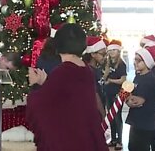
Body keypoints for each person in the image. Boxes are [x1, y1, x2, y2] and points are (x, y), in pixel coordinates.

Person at [26, 23, 108, 151]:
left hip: (68, 140)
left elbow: (39, 104)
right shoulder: (85, 69)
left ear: (58, 44)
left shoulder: (63, 71)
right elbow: (68, 97)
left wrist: (35, 83)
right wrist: (45, 81)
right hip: (85, 136)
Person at [126, 46, 155, 151]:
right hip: (136, 121)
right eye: (135, 59)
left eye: (139, 60)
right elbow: (128, 94)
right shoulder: (138, 76)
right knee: (132, 147)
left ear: (147, 62)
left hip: (144, 123)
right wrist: (128, 98)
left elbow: (138, 101)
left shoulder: (149, 79)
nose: (135, 63)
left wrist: (129, 98)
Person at [103, 39, 127, 150]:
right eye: (110, 50)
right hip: (108, 93)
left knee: (117, 118)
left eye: (114, 50)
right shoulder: (107, 63)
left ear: (118, 51)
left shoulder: (121, 64)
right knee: (111, 117)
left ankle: (120, 140)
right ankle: (113, 139)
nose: (112, 52)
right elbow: (104, 78)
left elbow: (123, 80)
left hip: (118, 94)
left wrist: (111, 81)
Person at [82, 36, 108, 119]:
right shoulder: (88, 71)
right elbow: (95, 95)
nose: (105, 57)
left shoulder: (97, 69)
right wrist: (104, 115)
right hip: (94, 113)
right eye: (102, 54)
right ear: (93, 54)